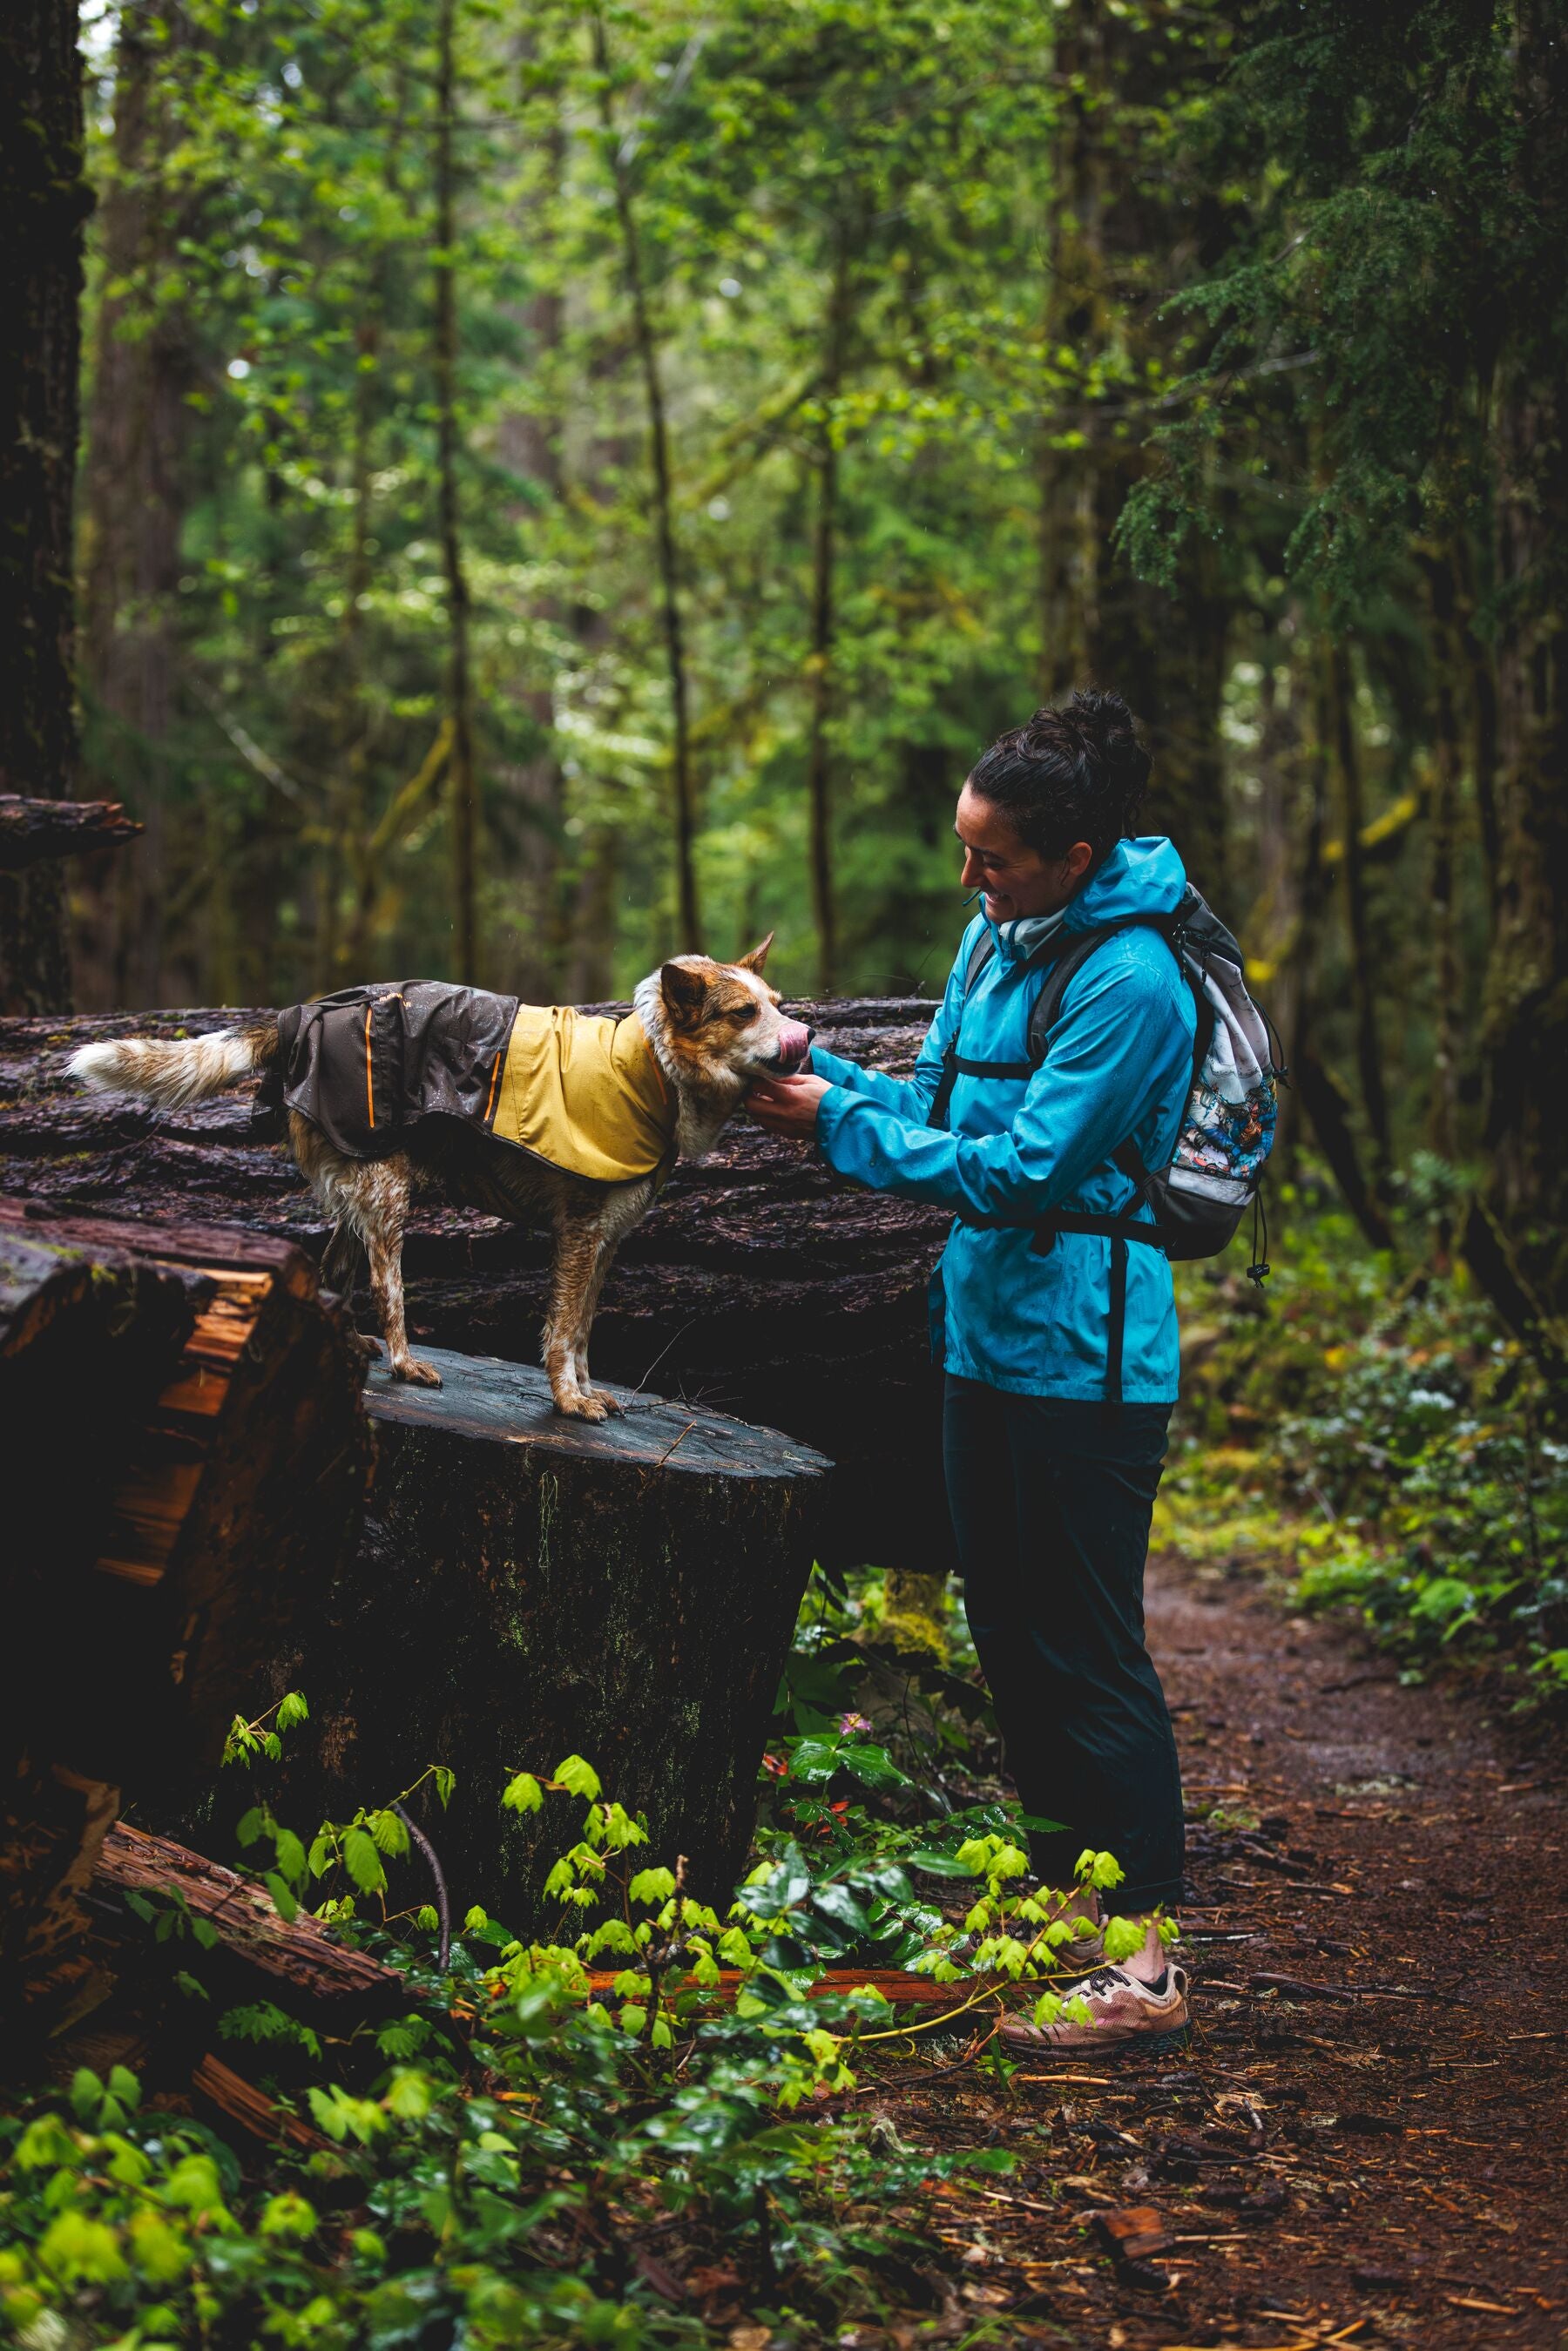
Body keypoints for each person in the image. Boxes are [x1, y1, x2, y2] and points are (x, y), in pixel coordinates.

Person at [747, 690, 1193, 2048]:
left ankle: (1146, 1968)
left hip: (1093, 1362)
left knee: (1089, 1653)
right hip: (984, 1344)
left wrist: (837, 1132)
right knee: (1006, 1632)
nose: (969, 876)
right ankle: (1068, 1912)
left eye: (992, 857)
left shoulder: (1134, 981)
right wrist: (829, 1087)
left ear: (1072, 855)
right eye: (964, 849)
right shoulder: (994, 936)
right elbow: (938, 1112)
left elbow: (1019, 1171)